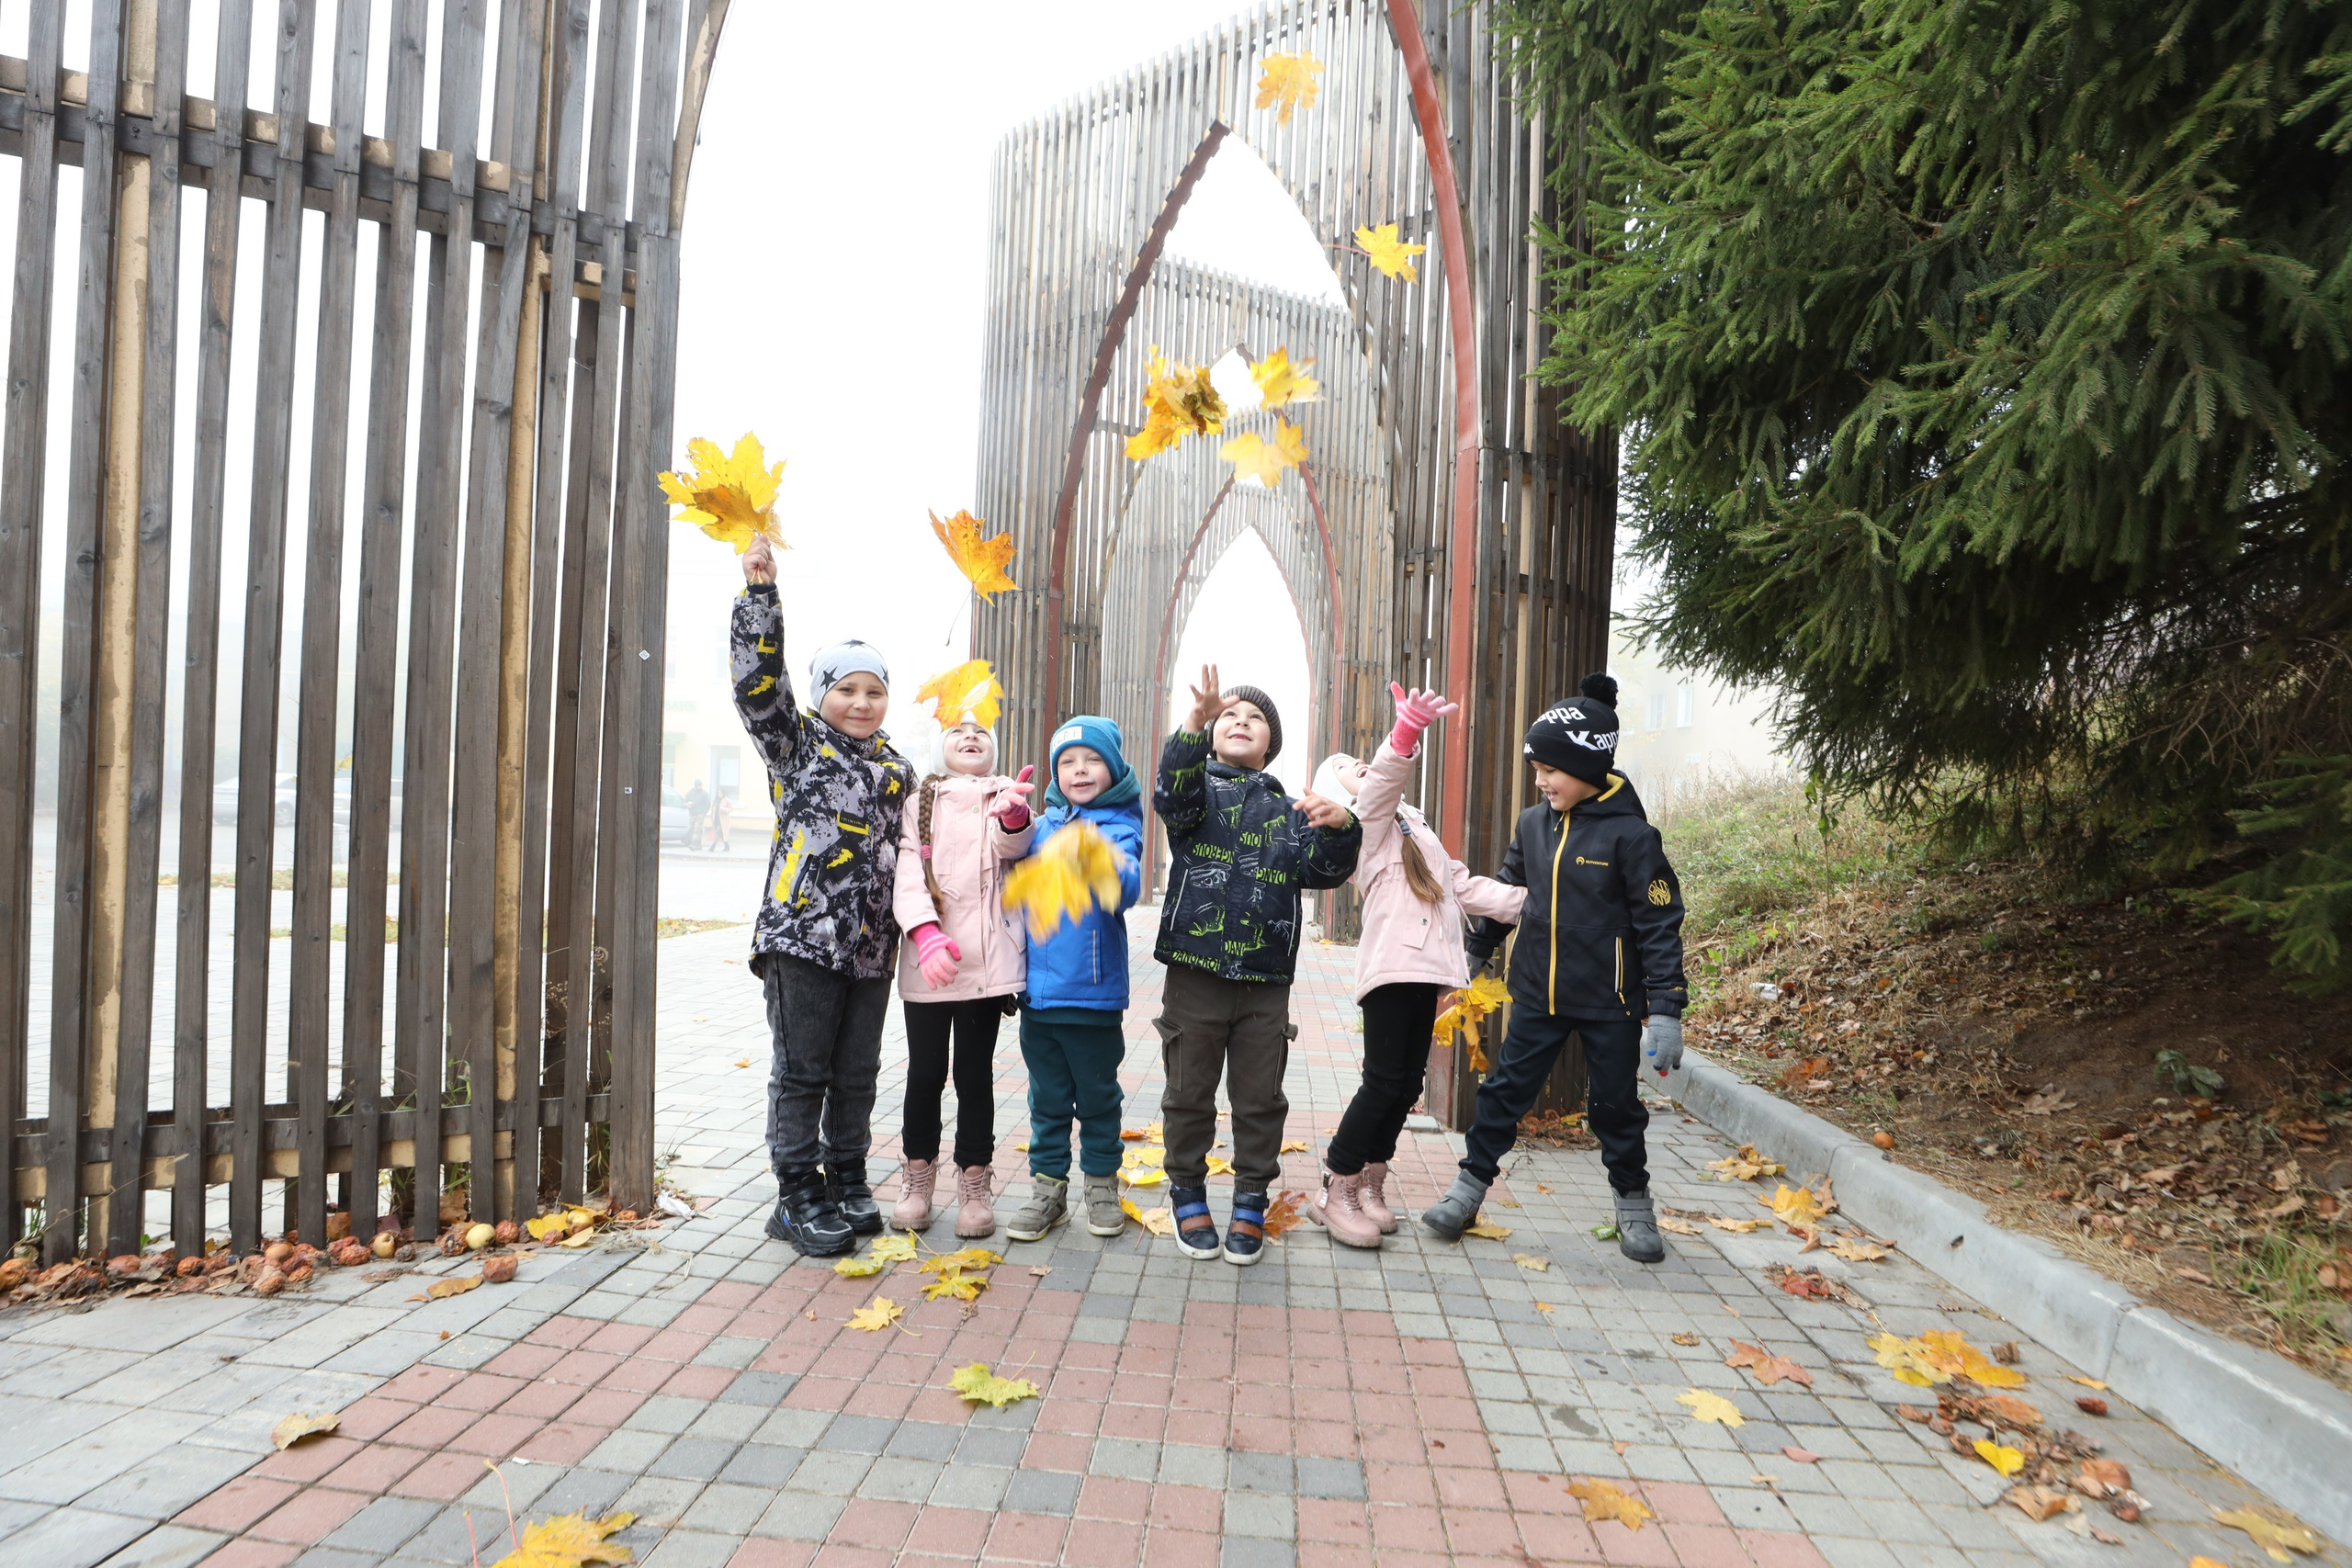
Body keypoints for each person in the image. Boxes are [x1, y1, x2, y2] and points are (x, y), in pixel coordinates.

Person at [1421, 673, 1690, 1263]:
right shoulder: (1532, 825)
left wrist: (1667, 1007)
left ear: (1588, 765)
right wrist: (1477, 949)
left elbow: (1659, 924)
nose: (1541, 781)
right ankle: (1468, 1189)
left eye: (1551, 770)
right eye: (1537, 769)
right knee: (1502, 1093)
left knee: (1615, 1108)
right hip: (1537, 995)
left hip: (1611, 1003)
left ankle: (1634, 1204)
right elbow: (1508, 892)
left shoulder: (1633, 837)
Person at [730, 535, 914, 1258]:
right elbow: (758, 689)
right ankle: (796, 1193)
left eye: (874, 691)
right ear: (820, 695)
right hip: (800, 939)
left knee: (857, 1073)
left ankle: (847, 1176)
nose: (861, 702)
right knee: (803, 1071)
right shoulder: (797, 746)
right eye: (846, 688)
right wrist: (760, 597)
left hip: (871, 949)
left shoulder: (898, 769)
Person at [1304, 683, 1527, 1247]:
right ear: (1337, 793)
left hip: (1427, 972)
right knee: (1382, 1082)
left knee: (1405, 1086)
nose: (1357, 765)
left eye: (1357, 760)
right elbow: (1382, 783)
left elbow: (1462, 885)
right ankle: (1336, 1185)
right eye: (1345, 767)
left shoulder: (1413, 828)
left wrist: (1535, 902)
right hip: (1392, 969)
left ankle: (1370, 1183)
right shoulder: (1366, 825)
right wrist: (1404, 733)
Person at [1152, 665, 1362, 1264]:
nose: (1241, 721)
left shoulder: (1292, 811)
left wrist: (1342, 828)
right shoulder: (1195, 794)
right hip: (1195, 971)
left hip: (1266, 980)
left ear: (1272, 743)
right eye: (1229, 715)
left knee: (1260, 1097)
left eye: (1256, 717)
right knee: (1188, 1091)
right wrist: (1191, 727)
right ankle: (1187, 1189)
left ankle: (1250, 1196)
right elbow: (1170, 790)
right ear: (1212, 733)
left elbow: (1324, 871)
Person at [889, 721, 1035, 1236]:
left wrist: (1014, 819)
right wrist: (924, 934)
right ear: (939, 749)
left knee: (975, 1075)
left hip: (985, 966)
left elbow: (1014, 849)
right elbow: (907, 874)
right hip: (929, 963)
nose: (970, 737)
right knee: (925, 1073)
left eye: (981, 732)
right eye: (957, 731)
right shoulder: (919, 803)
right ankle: (917, 1176)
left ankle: (974, 1179)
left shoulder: (1006, 793)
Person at [1004, 716, 1145, 1242]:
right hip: (1039, 998)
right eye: (1067, 762)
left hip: (1093, 997)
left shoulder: (1118, 826)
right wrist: (1013, 821)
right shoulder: (1043, 826)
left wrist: (1094, 855)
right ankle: (1048, 1190)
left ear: (1114, 770)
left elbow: (1126, 888)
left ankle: (1102, 1185)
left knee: (1099, 1099)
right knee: (1047, 1101)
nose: (1079, 770)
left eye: (1092, 760)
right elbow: (1007, 858)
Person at [684, 779, 710, 852]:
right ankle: (699, 846)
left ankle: (693, 844)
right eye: (699, 786)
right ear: (695, 786)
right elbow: (685, 802)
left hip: (700, 814)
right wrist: (687, 805)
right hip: (692, 814)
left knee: (697, 829)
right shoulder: (690, 793)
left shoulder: (704, 794)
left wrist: (704, 813)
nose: (700, 787)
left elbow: (708, 804)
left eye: (701, 785)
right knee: (693, 830)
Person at [708, 786, 733, 852]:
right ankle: (726, 845)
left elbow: (731, 809)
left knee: (718, 830)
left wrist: (725, 810)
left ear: (723, 793)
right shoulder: (716, 800)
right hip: (716, 818)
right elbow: (713, 809)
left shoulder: (726, 800)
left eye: (720, 793)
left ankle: (713, 846)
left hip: (723, 820)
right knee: (721, 834)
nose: (719, 794)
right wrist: (711, 816)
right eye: (718, 793)